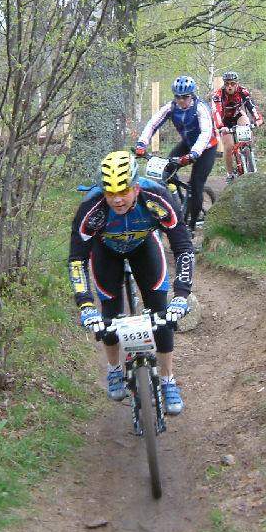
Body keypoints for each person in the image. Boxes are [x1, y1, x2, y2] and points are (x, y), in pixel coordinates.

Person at [68, 150, 194, 415]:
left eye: (123, 191)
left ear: (136, 186)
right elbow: (78, 260)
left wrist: (181, 295)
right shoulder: (91, 208)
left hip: (144, 246)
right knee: (109, 317)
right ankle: (114, 369)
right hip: (106, 251)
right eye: (110, 193)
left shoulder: (157, 197)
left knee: (162, 314)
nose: (117, 200)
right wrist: (86, 305)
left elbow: (183, 247)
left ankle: (168, 379)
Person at [136, 75, 218, 234]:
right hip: (187, 144)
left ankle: (191, 226)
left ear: (192, 95)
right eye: (178, 96)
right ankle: (179, 201)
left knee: (196, 185)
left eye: (185, 97)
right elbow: (153, 123)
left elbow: (206, 133)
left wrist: (194, 154)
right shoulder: (172, 107)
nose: (181, 100)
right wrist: (142, 143)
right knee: (166, 170)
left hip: (206, 147)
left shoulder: (200, 108)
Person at [211, 71, 264, 183]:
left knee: (248, 129)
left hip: (237, 115)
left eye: (232, 83)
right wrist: (221, 126)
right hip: (224, 121)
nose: (230, 86)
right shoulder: (218, 95)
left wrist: (258, 118)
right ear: (224, 84)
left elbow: (251, 105)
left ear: (237, 84)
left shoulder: (243, 91)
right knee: (229, 146)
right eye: (227, 84)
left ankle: (249, 153)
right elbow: (216, 112)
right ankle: (230, 174)